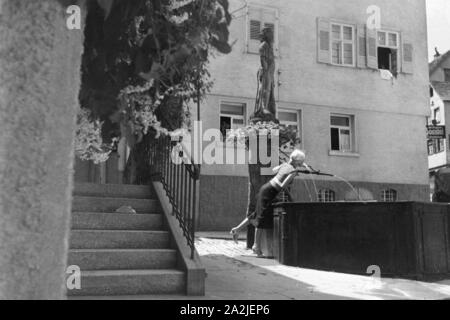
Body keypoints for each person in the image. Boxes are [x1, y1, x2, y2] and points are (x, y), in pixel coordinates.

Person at [230, 150, 309, 256]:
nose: (301, 164)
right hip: (270, 192)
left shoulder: (285, 165)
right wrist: (291, 193)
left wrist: (286, 168)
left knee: (256, 214)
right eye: (301, 161)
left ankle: (236, 229)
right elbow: (282, 186)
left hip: (266, 188)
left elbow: (273, 170)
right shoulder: (293, 172)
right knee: (262, 218)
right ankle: (256, 246)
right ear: (298, 161)